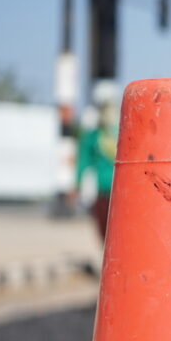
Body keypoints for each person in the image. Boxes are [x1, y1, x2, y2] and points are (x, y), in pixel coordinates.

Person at [75, 80, 119, 241]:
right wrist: (77, 184)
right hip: (102, 191)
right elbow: (84, 160)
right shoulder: (93, 135)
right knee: (104, 232)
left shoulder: (122, 131)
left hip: (121, 190)